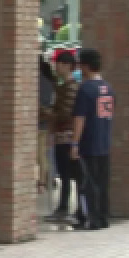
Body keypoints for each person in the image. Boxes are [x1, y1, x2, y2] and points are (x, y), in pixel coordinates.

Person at [71, 48, 114, 230]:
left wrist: (74, 143)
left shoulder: (86, 89)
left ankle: (90, 219)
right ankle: (103, 217)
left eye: (80, 65)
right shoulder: (108, 88)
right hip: (104, 143)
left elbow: (79, 118)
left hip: (88, 144)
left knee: (87, 183)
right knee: (102, 183)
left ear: (86, 66)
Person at [45, 51, 80, 223]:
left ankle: (64, 208)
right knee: (64, 174)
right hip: (60, 136)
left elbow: (65, 113)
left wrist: (46, 113)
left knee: (66, 174)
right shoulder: (62, 86)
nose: (56, 67)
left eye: (58, 64)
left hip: (67, 137)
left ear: (67, 65)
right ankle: (63, 207)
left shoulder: (71, 87)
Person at [38, 57, 56, 192]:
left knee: (40, 155)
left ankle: (43, 182)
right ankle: (48, 178)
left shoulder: (37, 81)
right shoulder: (49, 82)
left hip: (38, 123)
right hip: (46, 123)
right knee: (43, 153)